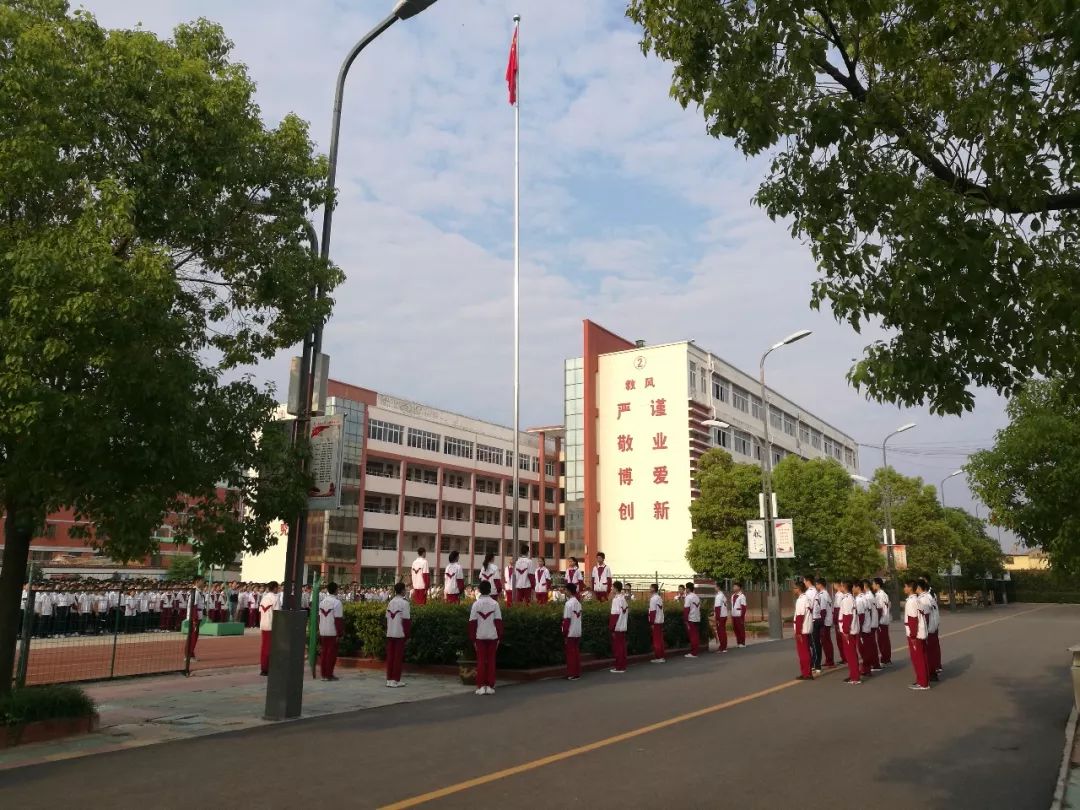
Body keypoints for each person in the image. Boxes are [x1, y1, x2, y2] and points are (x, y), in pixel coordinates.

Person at [468, 580, 503, 695]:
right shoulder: (495, 604)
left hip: (480, 636)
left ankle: (481, 686)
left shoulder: (476, 604)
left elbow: (472, 623)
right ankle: (490, 686)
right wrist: (499, 637)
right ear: (490, 590)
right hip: (492, 636)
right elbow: (498, 622)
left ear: (479, 590)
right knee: (491, 661)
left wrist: (473, 639)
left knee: (481, 661)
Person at [905, 580, 930, 690]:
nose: (904, 589)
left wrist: (913, 636)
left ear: (910, 588)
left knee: (918, 659)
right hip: (921, 632)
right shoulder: (918, 600)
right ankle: (923, 680)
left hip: (915, 634)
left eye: (905, 586)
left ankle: (923, 683)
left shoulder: (911, 601)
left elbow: (913, 619)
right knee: (922, 658)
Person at [385, 582, 411, 688]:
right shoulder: (405, 603)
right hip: (400, 633)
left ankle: (389, 679)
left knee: (391, 656)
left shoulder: (391, 602)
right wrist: (407, 635)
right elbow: (406, 621)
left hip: (390, 632)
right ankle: (395, 679)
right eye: (405, 589)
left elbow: (387, 617)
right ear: (402, 591)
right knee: (397, 657)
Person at [318, 582, 345, 681]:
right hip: (332, 631)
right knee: (331, 654)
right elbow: (338, 619)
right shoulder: (337, 603)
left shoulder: (322, 602)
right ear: (336, 590)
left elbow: (319, 618)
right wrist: (340, 633)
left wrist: (319, 629)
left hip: (323, 630)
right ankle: (329, 674)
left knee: (324, 653)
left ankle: (323, 674)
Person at [838, 581, 861, 684]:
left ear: (844, 587)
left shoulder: (847, 599)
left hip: (849, 631)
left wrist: (845, 630)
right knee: (851, 654)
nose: (840, 587)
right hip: (850, 630)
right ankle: (853, 674)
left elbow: (847, 616)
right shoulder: (849, 598)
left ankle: (855, 677)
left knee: (850, 654)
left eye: (841, 585)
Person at [258, 581, 281, 676]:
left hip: (263, 625)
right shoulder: (275, 598)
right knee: (271, 648)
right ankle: (267, 668)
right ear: (275, 588)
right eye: (278, 588)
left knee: (264, 647)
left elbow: (260, 612)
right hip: (272, 626)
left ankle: (264, 667)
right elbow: (278, 614)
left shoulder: (264, 598)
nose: (278, 589)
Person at [562, 583, 583, 680]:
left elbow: (566, 620)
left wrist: (564, 633)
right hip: (577, 631)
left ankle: (572, 673)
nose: (565, 592)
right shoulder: (578, 603)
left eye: (565, 590)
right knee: (576, 653)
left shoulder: (568, 604)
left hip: (570, 632)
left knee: (570, 654)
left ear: (569, 591)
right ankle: (577, 672)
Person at [851, 581, 872, 679]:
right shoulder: (865, 597)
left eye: (853, 587)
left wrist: (858, 628)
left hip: (863, 628)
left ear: (857, 588)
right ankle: (866, 668)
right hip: (867, 627)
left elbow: (861, 616)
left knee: (863, 650)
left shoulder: (859, 599)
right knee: (866, 649)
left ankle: (866, 669)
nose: (852, 589)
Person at [793, 581, 813, 680]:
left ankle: (806, 673)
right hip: (806, 629)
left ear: (798, 589)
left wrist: (798, 631)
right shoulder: (807, 598)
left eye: (794, 588)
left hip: (802, 630)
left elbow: (800, 617)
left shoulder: (801, 600)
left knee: (803, 652)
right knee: (806, 651)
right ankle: (807, 671)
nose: (793, 590)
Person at [803, 575, 822, 674]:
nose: (804, 583)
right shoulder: (816, 591)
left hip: (813, 620)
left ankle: (816, 664)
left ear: (807, 581)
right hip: (817, 618)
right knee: (816, 643)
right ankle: (817, 663)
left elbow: (808, 607)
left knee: (814, 644)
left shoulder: (809, 593)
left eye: (804, 581)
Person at [609, 581, 630, 673]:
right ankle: (622, 665)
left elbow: (614, 615)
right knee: (622, 647)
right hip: (622, 625)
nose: (611, 589)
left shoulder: (616, 600)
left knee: (618, 648)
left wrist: (611, 627)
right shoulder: (623, 599)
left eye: (612, 587)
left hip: (617, 626)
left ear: (616, 588)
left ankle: (619, 667)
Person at [872, 577, 892, 666]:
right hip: (884, 619)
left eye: (873, 584)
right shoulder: (883, 594)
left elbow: (879, 609)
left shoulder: (879, 595)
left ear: (877, 585)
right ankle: (886, 658)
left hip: (881, 620)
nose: (872, 585)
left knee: (882, 641)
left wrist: (877, 620)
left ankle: (885, 659)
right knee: (885, 640)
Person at [815, 578, 835, 668]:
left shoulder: (823, 595)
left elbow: (823, 610)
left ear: (820, 584)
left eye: (817, 584)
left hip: (825, 621)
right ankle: (829, 660)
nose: (816, 586)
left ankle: (830, 661)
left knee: (826, 641)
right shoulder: (824, 594)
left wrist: (821, 622)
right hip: (826, 620)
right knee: (825, 641)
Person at [186, 576, 205, 660]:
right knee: (193, 636)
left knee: (194, 636)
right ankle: (188, 655)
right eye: (202, 581)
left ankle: (191, 654)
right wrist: (194, 619)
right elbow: (194, 606)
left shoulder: (199, 592)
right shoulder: (195, 592)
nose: (203, 583)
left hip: (197, 616)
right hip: (194, 617)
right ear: (197, 582)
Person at [683, 582, 702, 658]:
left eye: (685, 588)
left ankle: (693, 653)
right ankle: (695, 651)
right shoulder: (696, 597)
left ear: (688, 589)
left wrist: (685, 619)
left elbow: (686, 609)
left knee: (692, 636)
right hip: (697, 618)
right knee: (696, 635)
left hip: (691, 619)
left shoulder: (688, 597)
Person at [648, 583, 666, 663]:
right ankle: (661, 656)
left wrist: (651, 623)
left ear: (653, 589)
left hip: (655, 622)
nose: (649, 589)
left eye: (650, 587)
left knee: (656, 640)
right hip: (660, 621)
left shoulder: (653, 599)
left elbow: (652, 612)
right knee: (660, 640)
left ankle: (658, 657)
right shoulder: (659, 598)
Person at [832, 581, 847, 665]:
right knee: (839, 641)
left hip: (839, 620)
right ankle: (843, 657)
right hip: (837, 619)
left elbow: (838, 609)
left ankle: (845, 657)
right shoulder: (838, 594)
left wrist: (836, 621)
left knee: (841, 641)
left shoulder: (840, 595)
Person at [730, 582, 747, 647]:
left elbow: (744, 607)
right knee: (735, 629)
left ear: (739, 587)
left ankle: (742, 643)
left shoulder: (742, 596)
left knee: (741, 629)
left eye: (735, 586)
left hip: (739, 615)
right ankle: (738, 642)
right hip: (734, 614)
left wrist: (742, 616)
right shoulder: (733, 596)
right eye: (733, 586)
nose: (734, 588)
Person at [713, 584, 729, 653]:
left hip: (720, 616)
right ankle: (723, 646)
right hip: (724, 615)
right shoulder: (723, 595)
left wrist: (717, 618)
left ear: (718, 587)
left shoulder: (719, 596)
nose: (714, 588)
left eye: (715, 587)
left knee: (720, 632)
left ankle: (722, 647)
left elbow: (717, 608)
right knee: (723, 631)